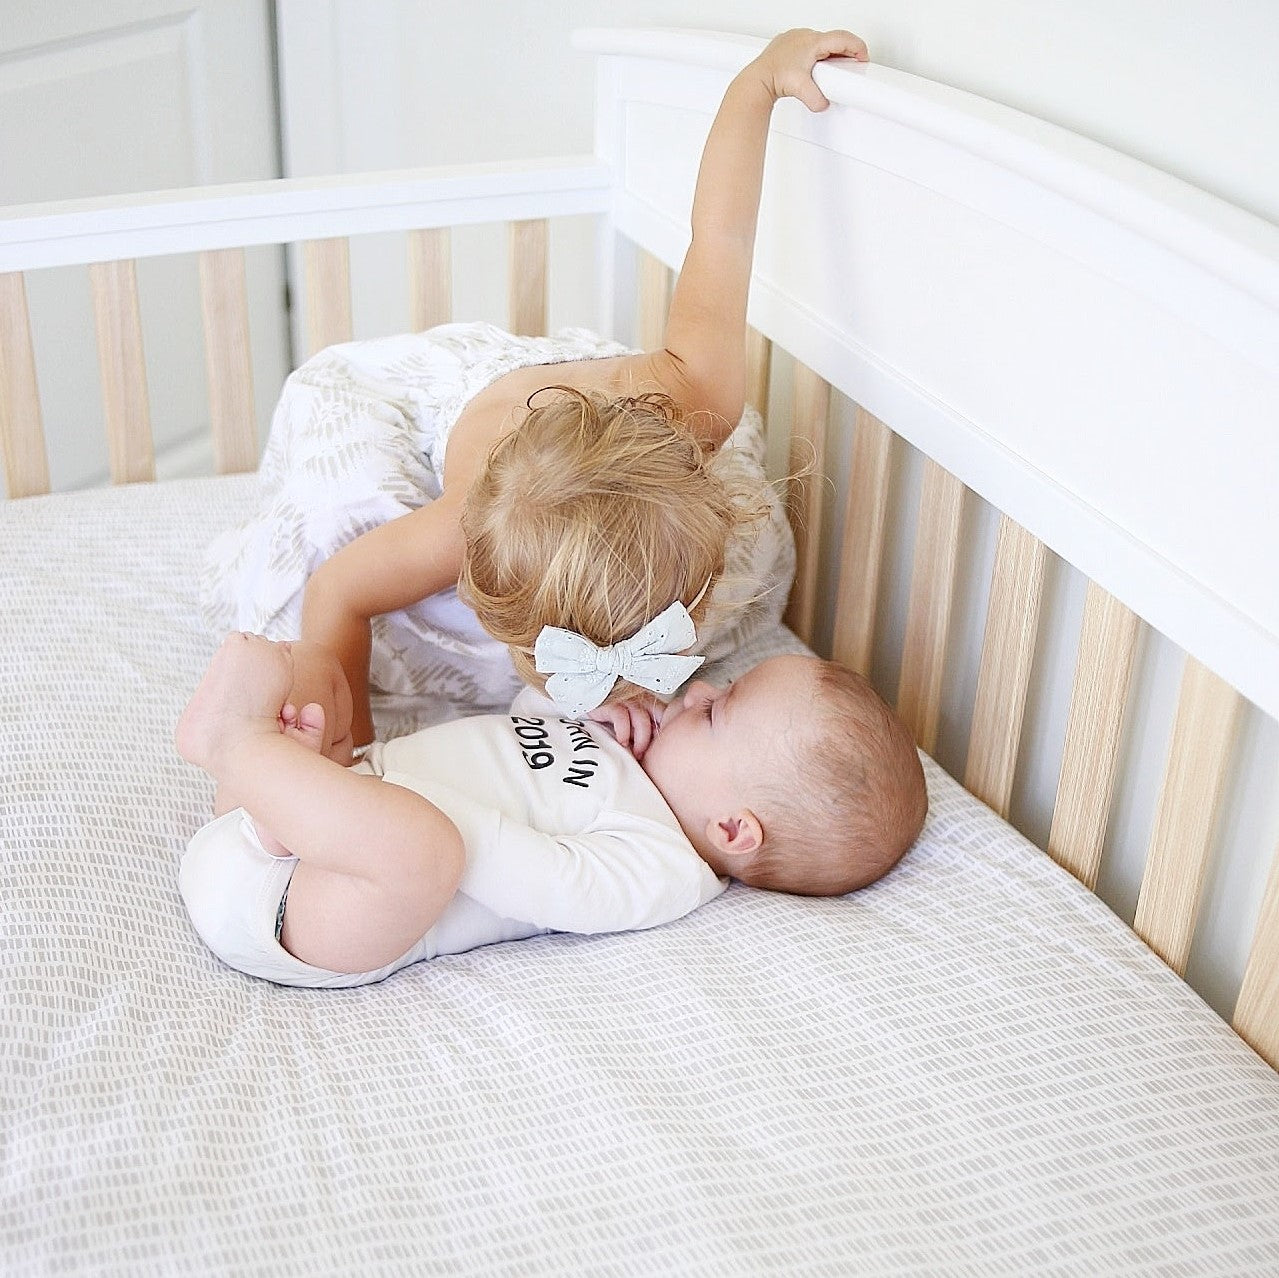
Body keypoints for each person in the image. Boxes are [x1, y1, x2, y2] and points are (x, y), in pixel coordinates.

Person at [199, 28, 869, 750]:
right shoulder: (459, 523)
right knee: (335, 525)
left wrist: (760, 84)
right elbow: (338, 592)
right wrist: (357, 756)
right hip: (444, 407)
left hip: (601, 420)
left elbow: (721, 235)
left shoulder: (697, 389)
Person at [176, 631, 927, 988]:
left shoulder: (662, 867)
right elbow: (516, 732)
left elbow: (533, 877)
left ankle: (237, 747)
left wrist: (375, 804)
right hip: (290, 829)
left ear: (731, 829)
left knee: (429, 853)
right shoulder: (628, 752)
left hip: (316, 916)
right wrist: (577, 707)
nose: (696, 691)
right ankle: (272, 780)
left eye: (714, 713)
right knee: (317, 668)